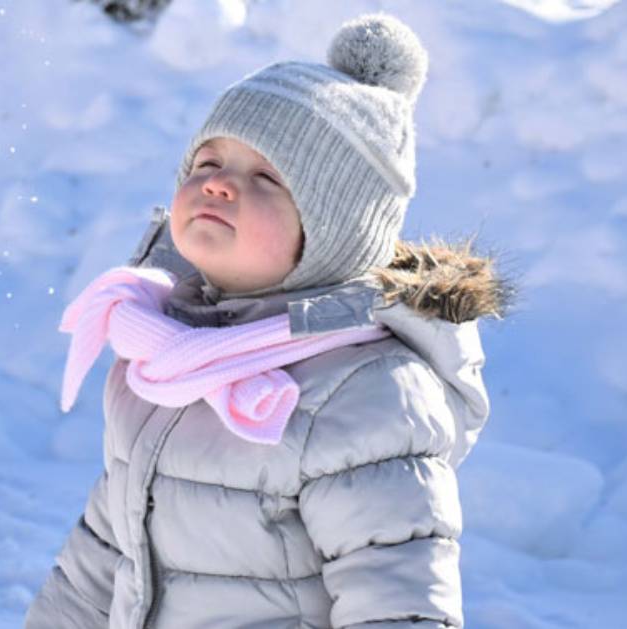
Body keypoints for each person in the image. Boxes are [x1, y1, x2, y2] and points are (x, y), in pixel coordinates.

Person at [25, 12, 511, 628]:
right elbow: (104, 554)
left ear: (333, 233)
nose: (220, 186)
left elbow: (399, 598)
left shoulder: (366, 390)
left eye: (266, 179)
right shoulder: (167, 353)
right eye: (207, 164)